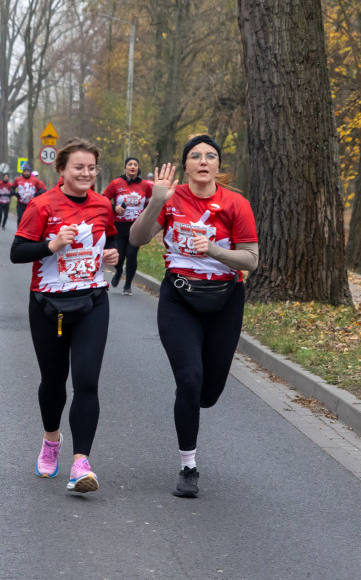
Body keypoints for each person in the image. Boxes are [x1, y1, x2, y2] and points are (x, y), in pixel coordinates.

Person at [129, 134, 259, 498]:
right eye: (196, 156)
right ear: (185, 165)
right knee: (189, 380)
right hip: (179, 299)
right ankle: (188, 466)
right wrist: (155, 202)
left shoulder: (236, 204)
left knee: (208, 391)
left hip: (225, 301)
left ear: (219, 166)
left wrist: (216, 251)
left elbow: (251, 259)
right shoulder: (170, 199)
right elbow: (137, 239)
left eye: (211, 156)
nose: (204, 161)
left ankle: (197, 401)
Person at [10, 139, 119, 494]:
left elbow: (111, 240)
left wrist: (112, 255)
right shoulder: (41, 205)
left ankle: (80, 464)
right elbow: (17, 252)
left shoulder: (103, 205)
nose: (86, 173)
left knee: (87, 382)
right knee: (54, 383)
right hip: (48, 306)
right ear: (61, 170)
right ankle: (51, 440)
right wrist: (51, 245)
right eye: (78, 167)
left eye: (91, 168)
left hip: (92, 302)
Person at [103, 156, 152, 295]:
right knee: (119, 256)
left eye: (135, 164)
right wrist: (114, 208)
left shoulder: (145, 185)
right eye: (130, 164)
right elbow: (104, 199)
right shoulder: (116, 183)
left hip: (136, 226)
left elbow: (149, 205)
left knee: (131, 255)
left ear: (138, 167)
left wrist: (146, 218)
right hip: (118, 225)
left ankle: (128, 285)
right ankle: (118, 271)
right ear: (125, 167)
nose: (132, 166)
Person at [15, 163, 47, 227]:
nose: (26, 173)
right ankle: (19, 231)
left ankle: (26, 232)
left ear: (30, 172)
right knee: (20, 218)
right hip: (21, 203)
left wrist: (36, 195)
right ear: (23, 172)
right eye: (25, 171)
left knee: (30, 219)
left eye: (28, 171)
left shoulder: (36, 181)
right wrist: (16, 194)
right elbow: (12, 188)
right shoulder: (18, 179)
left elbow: (42, 190)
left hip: (31, 204)